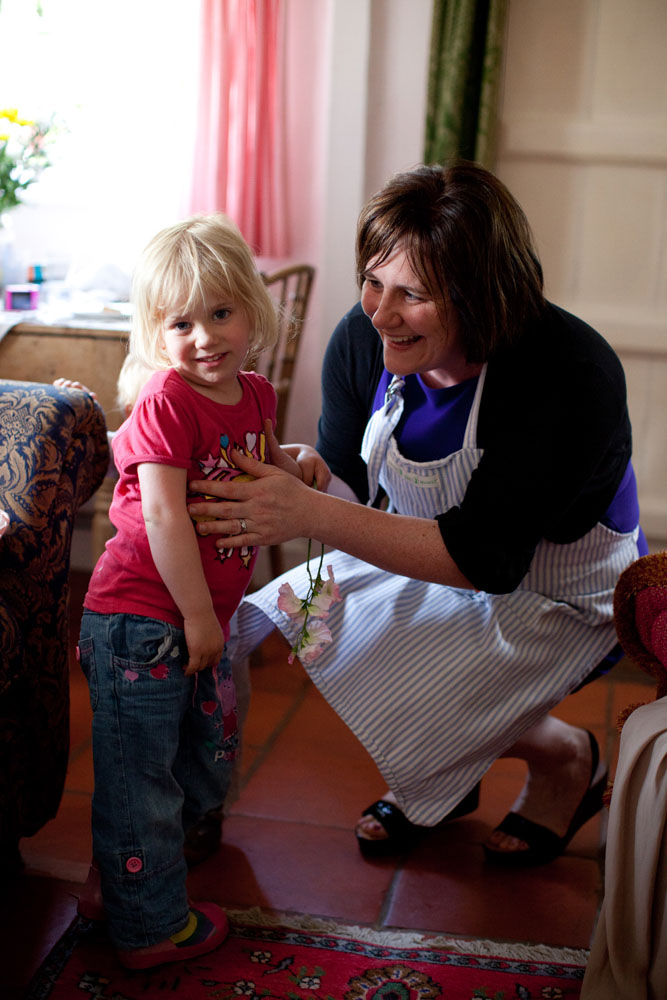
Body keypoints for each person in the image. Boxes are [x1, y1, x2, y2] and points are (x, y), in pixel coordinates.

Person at [187, 161, 648, 867]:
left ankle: (563, 760)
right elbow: (348, 488)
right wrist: (305, 474)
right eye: (372, 283)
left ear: (479, 296)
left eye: (413, 295)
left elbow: (485, 563)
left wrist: (305, 512)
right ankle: (444, 776)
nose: (380, 314)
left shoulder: (562, 370)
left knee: (417, 679)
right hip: (429, 553)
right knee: (283, 618)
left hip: (557, 589)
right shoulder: (362, 338)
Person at [73, 213, 321, 970]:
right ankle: (147, 928)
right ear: (154, 331)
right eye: (181, 322)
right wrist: (192, 616)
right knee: (139, 776)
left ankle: (122, 884)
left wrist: (299, 464)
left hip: (194, 619)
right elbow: (159, 513)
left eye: (221, 314)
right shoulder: (165, 401)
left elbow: (262, 461)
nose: (206, 336)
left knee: (193, 758)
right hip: (141, 619)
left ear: (252, 311)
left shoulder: (250, 394)